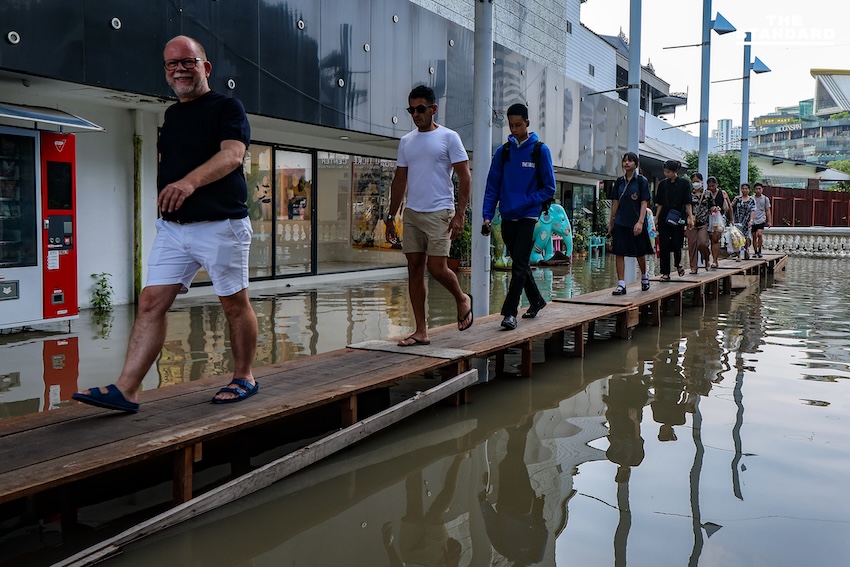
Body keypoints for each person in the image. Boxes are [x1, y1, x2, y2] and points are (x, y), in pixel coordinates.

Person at [73, 36, 258, 413]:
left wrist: (188, 182)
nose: (179, 69)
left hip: (221, 224)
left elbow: (233, 156)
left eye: (187, 62)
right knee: (149, 303)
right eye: (171, 64)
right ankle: (126, 390)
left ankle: (244, 377)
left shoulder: (228, 107)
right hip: (174, 229)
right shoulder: (172, 115)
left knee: (234, 304)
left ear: (205, 67)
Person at [385, 85, 473, 346]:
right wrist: (391, 217)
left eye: (420, 109)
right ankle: (421, 331)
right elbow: (399, 181)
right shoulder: (406, 142)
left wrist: (460, 214)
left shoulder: (449, 138)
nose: (416, 114)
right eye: (411, 109)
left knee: (437, 268)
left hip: (440, 212)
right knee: (414, 269)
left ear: (434, 109)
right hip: (412, 213)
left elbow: (464, 176)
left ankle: (461, 298)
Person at [482, 103, 555, 330]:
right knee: (519, 264)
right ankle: (537, 300)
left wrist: (525, 201)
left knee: (519, 263)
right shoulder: (503, 152)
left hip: (528, 216)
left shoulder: (540, 150)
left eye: (518, 125)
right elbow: (492, 187)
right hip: (507, 216)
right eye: (511, 125)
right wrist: (487, 215)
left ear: (527, 123)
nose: (514, 129)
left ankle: (510, 313)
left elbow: (549, 188)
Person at [607, 152, 653, 295]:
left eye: (630, 161)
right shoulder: (619, 182)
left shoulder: (641, 181)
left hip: (635, 221)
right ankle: (621, 283)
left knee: (639, 252)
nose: (627, 163)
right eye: (625, 161)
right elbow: (615, 202)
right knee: (619, 252)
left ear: (636, 164)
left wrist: (640, 222)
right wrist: (612, 222)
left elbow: (644, 202)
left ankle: (644, 276)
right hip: (621, 221)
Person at [654, 159, 694, 281]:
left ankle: (678, 264)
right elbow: (659, 203)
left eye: (668, 172)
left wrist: (690, 217)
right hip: (664, 217)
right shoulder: (662, 184)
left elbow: (687, 202)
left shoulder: (684, 184)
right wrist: (656, 217)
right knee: (664, 245)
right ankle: (665, 273)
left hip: (679, 217)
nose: (666, 174)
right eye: (665, 171)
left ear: (675, 171)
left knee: (677, 243)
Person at [686, 173, 712, 274]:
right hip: (692, 223)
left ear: (702, 181)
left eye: (697, 181)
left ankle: (706, 259)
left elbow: (712, 206)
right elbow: (685, 206)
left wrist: (714, 209)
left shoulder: (707, 194)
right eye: (693, 182)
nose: (695, 183)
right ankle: (693, 267)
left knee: (703, 243)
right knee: (692, 245)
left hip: (704, 222)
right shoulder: (688, 194)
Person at [706, 176, 733, 269]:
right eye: (709, 186)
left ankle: (715, 260)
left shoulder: (722, 193)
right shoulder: (705, 194)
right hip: (707, 218)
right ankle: (707, 260)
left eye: (713, 186)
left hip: (719, 219)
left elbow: (729, 207)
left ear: (716, 185)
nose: (711, 188)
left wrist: (731, 219)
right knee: (706, 240)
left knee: (715, 239)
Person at [731, 183, 756, 260]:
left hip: (746, 221)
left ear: (749, 190)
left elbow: (752, 210)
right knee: (737, 237)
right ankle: (738, 255)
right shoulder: (738, 199)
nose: (744, 190)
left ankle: (746, 249)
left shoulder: (751, 200)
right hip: (738, 220)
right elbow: (731, 208)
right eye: (743, 188)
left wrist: (751, 220)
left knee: (747, 237)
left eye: (746, 189)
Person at [751, 182, 772, 258]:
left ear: (762, 189)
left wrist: (769, 221)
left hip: (761, 219)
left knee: (759, 234)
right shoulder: (751, 198)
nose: (758, 190)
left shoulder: (765, 199)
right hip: (753, 219)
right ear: (754, 190)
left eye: (759, 189)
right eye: (756, 189)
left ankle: (759, 250)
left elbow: (767, 210)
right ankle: (755, 251)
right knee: (754, 236)